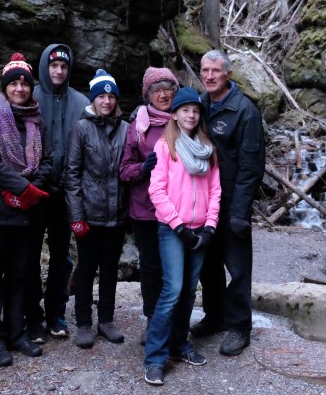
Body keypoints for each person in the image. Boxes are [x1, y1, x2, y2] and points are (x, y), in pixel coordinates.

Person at [0, 53, 53, 367]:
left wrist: (34, 190)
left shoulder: (37, 119)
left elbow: (46, 160)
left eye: (24, 83)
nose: (19, 88)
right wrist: (21, 187)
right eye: (14, 83)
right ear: (5, 86)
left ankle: (15, 332)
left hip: (27, 211)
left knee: (21, 273)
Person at [143, 87, 221, 386]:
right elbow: (157, 191)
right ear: (174, 114)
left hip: (201, 229)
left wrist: (211, 226)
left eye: (195, 110)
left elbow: (215, 191)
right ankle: (155, 358)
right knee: (172, 290)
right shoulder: (165, 147)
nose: (191, 114)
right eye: (185, 109)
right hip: (172, 230)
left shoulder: (207, 148)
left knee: (189, 291)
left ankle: (180, 343)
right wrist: (178, 227)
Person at [192, 49, 265, 357]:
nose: (209, 76)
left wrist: (240, 212)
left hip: (232, 202)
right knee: (208, 265)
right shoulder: (199, 105)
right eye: (205, 70)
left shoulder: (245, 111)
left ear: (228, 75)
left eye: (215, 71)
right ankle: (215, 315)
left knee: (236, 267)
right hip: (204, 201)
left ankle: (239, 326)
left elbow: (252, 166)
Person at [25, 44, 89, 343]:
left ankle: (56, 313)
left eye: (64, 66)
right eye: (54, 66)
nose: (59, 71)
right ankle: (32, 316)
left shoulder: (81, 102)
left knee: (62, 257)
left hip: (66, 194)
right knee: (29, 255)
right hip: (35, 190)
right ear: (45, 67)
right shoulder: (30, 96)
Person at [63, 69, 129, 349]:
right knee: (87, 268)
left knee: (111, 269)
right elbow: (72, 174)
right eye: (101, 95)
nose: (106, 100)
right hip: (89, 214)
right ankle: (83, 324)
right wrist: (76, 216)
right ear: (93, 99)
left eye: (111, 95)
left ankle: (106, 321)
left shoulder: (125, 128)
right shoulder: (81, 128)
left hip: (117, 215)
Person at [119, 67, 180, 345]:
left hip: (179, 210)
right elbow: (125, 170)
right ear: (148, 95)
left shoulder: (186, 119)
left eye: (168, 88)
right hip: (146, 211)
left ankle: (176, 323)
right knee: (152, 268)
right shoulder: (138, 125)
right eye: (157, 90)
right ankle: (152, 321)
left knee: (175, 268)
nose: (163, 94)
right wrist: (144, 168)